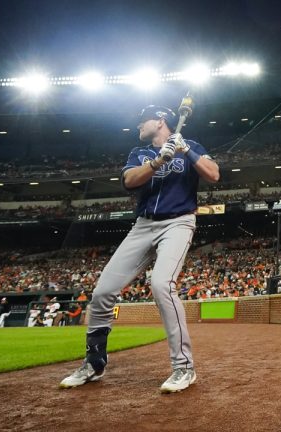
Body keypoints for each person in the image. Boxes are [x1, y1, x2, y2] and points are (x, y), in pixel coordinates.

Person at [60, 105, 220, 393]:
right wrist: (158, 161)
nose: (138, 127)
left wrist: (186, 151)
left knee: (161, 285)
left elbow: (213, 174)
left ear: (160, 121)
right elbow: (129, 181)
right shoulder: (140, 153)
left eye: (141, 121)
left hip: (179, 223)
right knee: (102, 291)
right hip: (143, 226)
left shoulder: (192, 145)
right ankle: (94, 362)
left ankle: (184, 367)